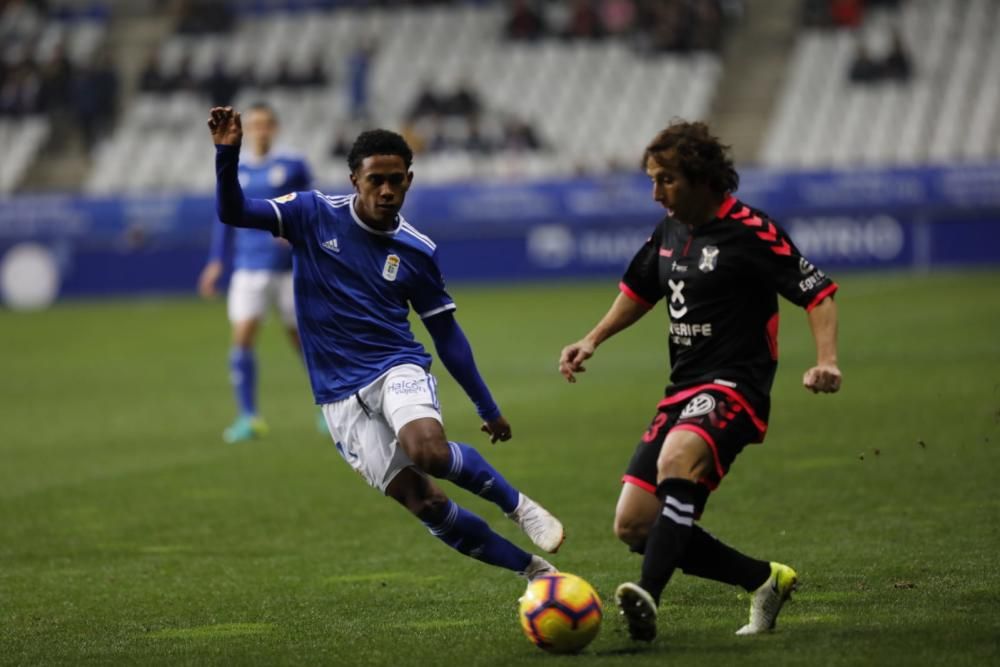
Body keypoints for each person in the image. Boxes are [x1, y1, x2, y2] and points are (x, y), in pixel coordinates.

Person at [206, 105, 564, 580]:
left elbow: (447, 335)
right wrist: (226, 155)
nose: (387, 190)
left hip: (395, 366)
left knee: (428, 451)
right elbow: (233, 211)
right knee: (427, 503)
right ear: (354, 179)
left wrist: (486, 406)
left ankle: (519, 507)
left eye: (396, 180)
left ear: (409, 180)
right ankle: (536, 574)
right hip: (336, 396)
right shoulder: (311, 213)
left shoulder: (417, 251)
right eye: (376, 180)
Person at [558, 120, 841, 641]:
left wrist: (827, 360)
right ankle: (764, 580)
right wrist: (592, 339)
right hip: (682, 390)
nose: (655, 192)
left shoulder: (752, 231)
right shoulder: (670, 229)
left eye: (665, 179)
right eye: (651, 179)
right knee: (634, 524)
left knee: (676, 461)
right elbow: (640, 289)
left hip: (736, 386)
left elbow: (817, 292)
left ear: (701, 178)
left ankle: (646, 599)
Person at [197, 102, 316, 443]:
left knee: (300, 338)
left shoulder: (292, 164)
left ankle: (327, 405)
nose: (261, 130)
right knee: (243, 337)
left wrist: (297, 235)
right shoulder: (237, 166)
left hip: (287, 270)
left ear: (275, 128)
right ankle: (249, 416)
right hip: (248, 267)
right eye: (255, 125)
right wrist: (216, 261)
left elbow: (313, 205)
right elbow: (224, 216)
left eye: (266, 124)